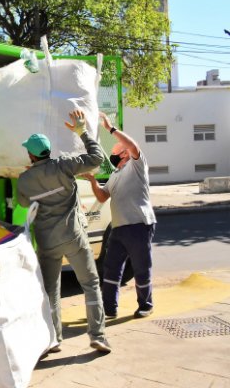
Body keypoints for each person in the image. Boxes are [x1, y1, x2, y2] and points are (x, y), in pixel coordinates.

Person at [17, 109, 111, 354]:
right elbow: (97, 157)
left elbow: (25, 204)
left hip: (48, 242)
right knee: (90, 284)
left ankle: (54, 339)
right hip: (74, 237)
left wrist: (33, 178)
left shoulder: (24, 180)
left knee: (50, 291)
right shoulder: (64, 165)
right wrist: (82, 131)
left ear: (31, 154)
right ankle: (98, 336)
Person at [83, 112, 157, 319]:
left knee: (141, 267)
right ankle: (109, 309)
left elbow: (134, 146)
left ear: (125, 153)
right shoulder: (115, 175)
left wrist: (111, 129)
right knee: (111, 268)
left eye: (116, 151)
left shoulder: (137, 166)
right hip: (119, 228)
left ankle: (146, 305)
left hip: (138, 225)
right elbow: (102, 196)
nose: (112, 155)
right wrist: (92, 181)